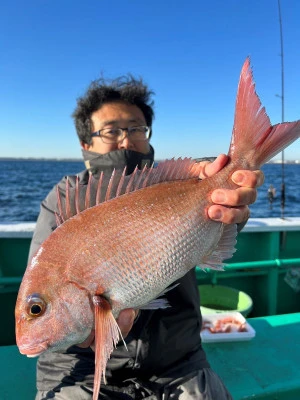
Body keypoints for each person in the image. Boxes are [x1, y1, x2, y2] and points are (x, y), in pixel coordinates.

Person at [29, 76, 264, 400]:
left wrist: (229, 212)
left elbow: (205, 233)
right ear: (86, 143)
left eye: (136, 129)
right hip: (78, 371)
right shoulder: (62, 202)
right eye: (111, 130)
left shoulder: (177, 185)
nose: (126, 141)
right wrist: (88, 335)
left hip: (179, 362)